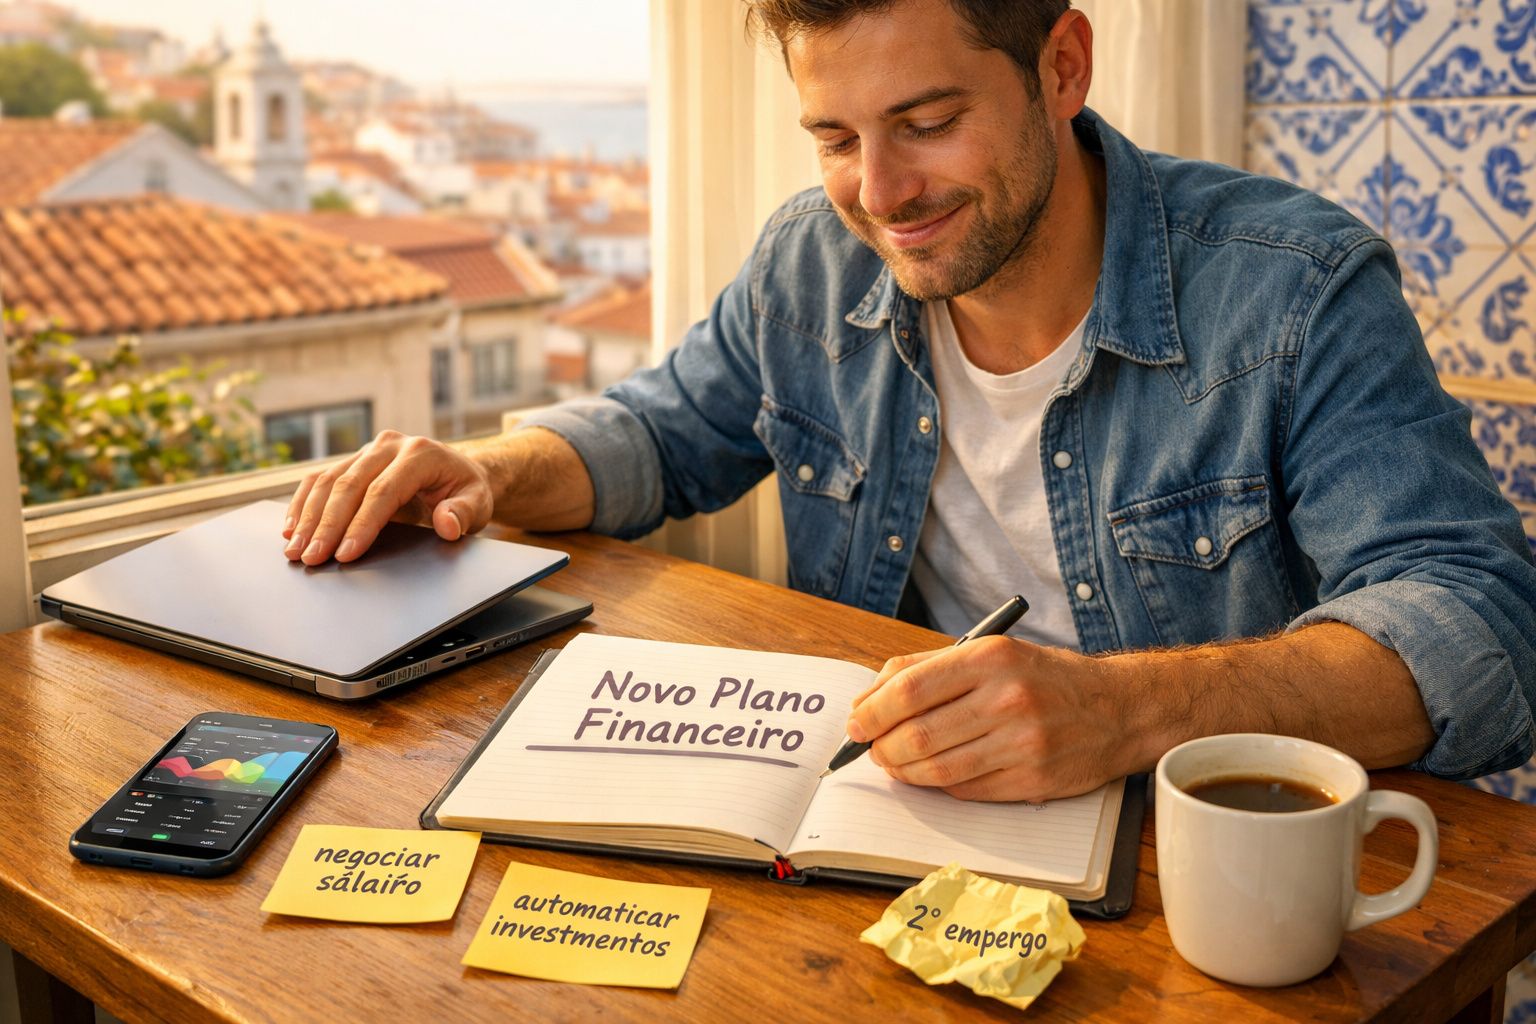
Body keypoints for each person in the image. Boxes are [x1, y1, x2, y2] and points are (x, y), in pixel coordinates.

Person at [281, 0, 1536, 802]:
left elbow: (1483, 628)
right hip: (905, 835)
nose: (879, 193)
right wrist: (491, 474)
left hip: (1213, 868)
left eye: (926, 121)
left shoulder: (1296, 289)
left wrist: (1124, 709)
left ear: (1062, 65)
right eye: (834, 137)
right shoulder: (810, 262)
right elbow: (667, 431)